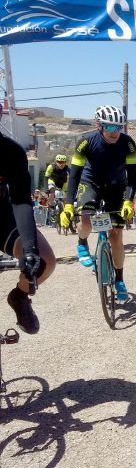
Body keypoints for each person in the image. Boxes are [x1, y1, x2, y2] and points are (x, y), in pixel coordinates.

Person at [60, 105, 136, 301]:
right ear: (98, 125)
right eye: (110, 127)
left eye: (119, 127)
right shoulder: (85, 142)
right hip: (90, 182)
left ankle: (119, 279)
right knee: (85, 220)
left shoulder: (128, 144)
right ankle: (82, 241)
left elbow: (133, 178)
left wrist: (128, 201)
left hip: (116, 186)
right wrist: (69, 204)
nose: (115, 132)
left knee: (116, 237)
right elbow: (74, 177)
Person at [1, 133, 57, 334]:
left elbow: (21, 200)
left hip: (3, 216)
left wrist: (30, 249)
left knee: (45, 261)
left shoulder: (10, 151)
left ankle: (19, 296)